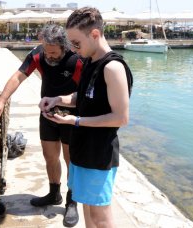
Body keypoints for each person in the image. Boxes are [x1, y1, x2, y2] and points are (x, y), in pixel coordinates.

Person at [39, 7, 133, 228]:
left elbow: (121, 118)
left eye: (76, 43)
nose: (73, 48)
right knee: (87, 210)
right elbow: (83, 98)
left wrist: (76, 121)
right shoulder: (90, 62)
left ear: (94, 35)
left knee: (100, 216)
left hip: (99, 154)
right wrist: (57, 100)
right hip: (83, 151)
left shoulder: (113, 68)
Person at [0, 24, 83, 227]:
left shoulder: (75, 59)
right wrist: (1, 101)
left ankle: (71, 201)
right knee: (50, 157)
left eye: (54, 52)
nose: (49, 55)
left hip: (71, 117)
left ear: (64, 46)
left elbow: (84, 94)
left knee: (70, 160)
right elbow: (18, 76)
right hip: (47, 114)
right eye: (46, 50)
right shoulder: (38, 55)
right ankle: (54, 193)